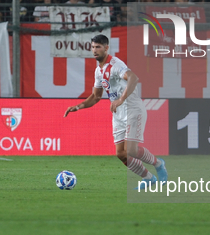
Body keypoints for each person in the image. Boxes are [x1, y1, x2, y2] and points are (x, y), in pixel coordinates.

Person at [64, 34, 167, 190]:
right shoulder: (99, 71)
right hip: (118, 114)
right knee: (121, 154)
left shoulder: (116, 65)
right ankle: (148, 178)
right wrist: (79, 106)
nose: (94, 50)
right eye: (92, 47)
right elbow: (96, 96)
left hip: (132, 109)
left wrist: (121, 99)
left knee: (131, 150)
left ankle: (158, 163)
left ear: (106, 48)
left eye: (98, 47)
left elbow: (134, 78)